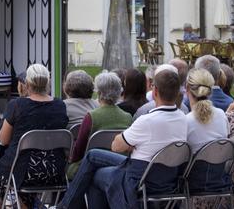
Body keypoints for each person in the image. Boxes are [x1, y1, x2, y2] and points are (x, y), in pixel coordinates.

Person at [57, 69, 187, 209]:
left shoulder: (147, 121)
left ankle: (64, 206)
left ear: (155, 91)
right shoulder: (183, 119)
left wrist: (129, 142)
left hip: (139, 177)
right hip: (166, 177)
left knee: (94, 174)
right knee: (92, 155)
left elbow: (116, 147)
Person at [0, 64, 68, 209]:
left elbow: (3, 140)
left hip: (24, 172)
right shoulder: (60, 105)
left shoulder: (17, 105)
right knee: (18, 164)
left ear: (27, 83)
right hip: (55, 171)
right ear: (47, 83)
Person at [67, 71, 133, 179]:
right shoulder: (127, 117)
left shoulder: (92, 116)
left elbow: (79, 149)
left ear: (99, 92)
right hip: (119, 164)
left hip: (93, 166)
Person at [184, 68, 231, 196]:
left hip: (192, 183)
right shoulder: (221, 115)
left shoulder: (186, 121)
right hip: (219, 180)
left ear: (187, 88)